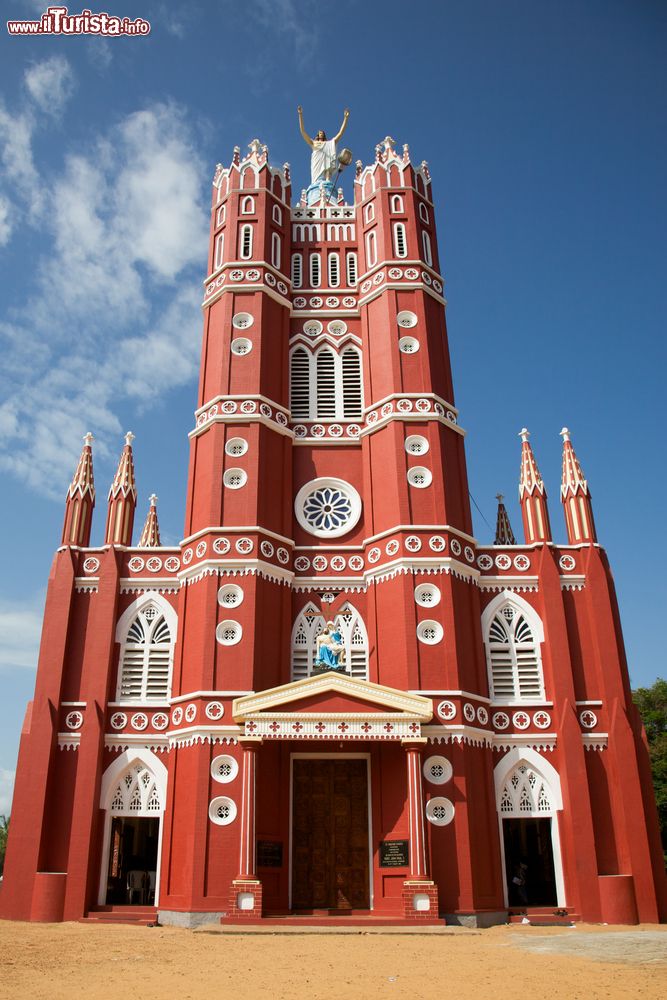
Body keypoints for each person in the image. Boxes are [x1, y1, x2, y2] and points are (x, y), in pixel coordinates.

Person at [297, 106, 350, 185]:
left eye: (322, 133)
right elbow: (302, 131)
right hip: (316, 164)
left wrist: (345, 118)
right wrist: (300, 114)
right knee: (315, 182)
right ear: (318, 135)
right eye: (319, 133)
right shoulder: (313, 143)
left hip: (326, 170)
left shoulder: (329, 144)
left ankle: (327, 180)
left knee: (328, 166)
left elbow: (340, 133)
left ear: (324, 135)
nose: (321, 134)